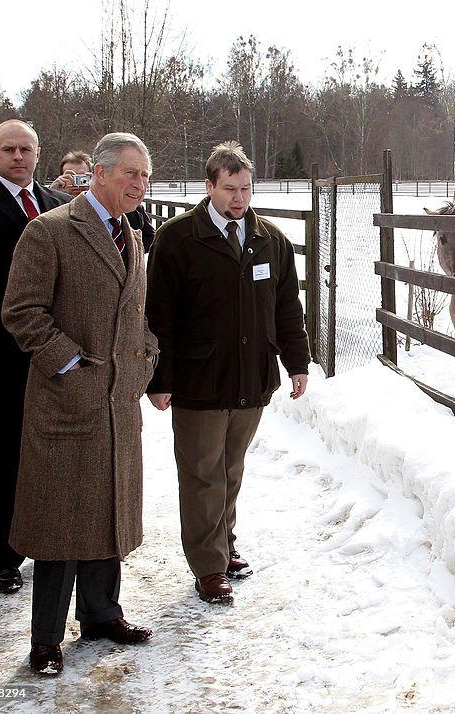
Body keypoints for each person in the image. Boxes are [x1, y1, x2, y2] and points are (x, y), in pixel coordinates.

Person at [1, 132, 159, 676]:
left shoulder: (131, 234)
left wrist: (145, 359)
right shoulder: (50, 231)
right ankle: (45, 639)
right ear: (98, 172)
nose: (140, 184)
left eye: (145, 175)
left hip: (118, 402)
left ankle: (100, 614)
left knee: (109, 510)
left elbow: (134, 313)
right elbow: (21, 311)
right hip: (67, 403)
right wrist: (69, 365)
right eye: (130, 174)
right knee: (61, 521)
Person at [146, 141, 309, 605]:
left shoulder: (270, 240)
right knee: (201, 475)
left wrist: (296, 363)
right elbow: (160, 316)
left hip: (250, 377)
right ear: (209, 186)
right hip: (200, 379)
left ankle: (224, 544)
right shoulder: (177, 239)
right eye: (230, 189)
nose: (239, 199)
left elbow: (286, 308)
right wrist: (160, 379)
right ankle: (208, 566)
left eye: (246, 188)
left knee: (230, 469)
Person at [0, 120, 71, 594]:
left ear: (39, 153)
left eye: (25, 149)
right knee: (4, 460)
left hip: (52, 356)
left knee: (51, 456)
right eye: (8, 150)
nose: (18, 157)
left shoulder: (59, 207)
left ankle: (46, 542)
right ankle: (2, 556)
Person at [51, 151, 156, 251]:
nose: (78, 183)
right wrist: (53, 194)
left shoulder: (123, 205)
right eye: (72, 177)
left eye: (83, 177)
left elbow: (149, 240)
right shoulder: (51, 207)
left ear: (95, 175)